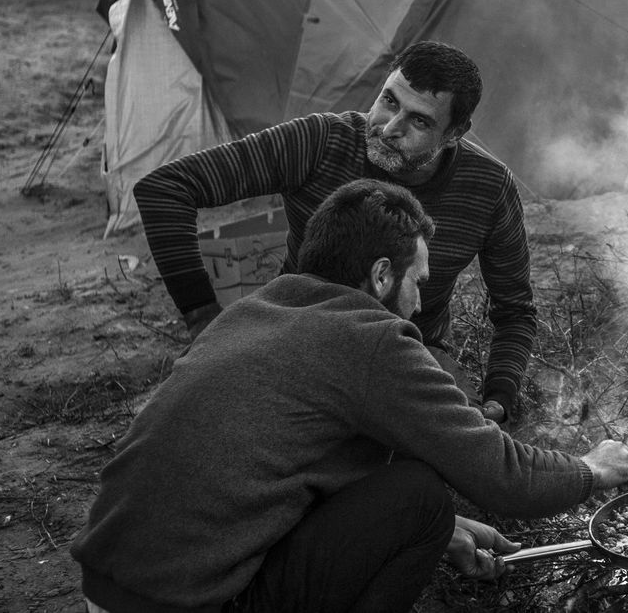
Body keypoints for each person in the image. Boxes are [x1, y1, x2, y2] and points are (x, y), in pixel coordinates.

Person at [72, 178, 628, 613]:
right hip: (194, 604)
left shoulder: (254, 311)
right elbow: (503, 476)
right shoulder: (370, 338)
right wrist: (593, 468)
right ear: (382, 275)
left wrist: (448, 535)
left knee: (421, 507)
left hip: (108, 588)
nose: (420, 302)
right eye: (417, 281)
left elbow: (284, 467)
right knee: (421, 497)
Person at [134, 41, 534, 425]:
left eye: (419, 121)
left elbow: (515, 310)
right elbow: (165, 189)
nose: (389, 128)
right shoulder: (320, 141)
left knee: (458, 451)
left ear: (454, 133)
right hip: (293, 338)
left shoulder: (488, 188)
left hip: (409, 354)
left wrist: (500, 397)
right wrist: (203, 318)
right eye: (389, 101)